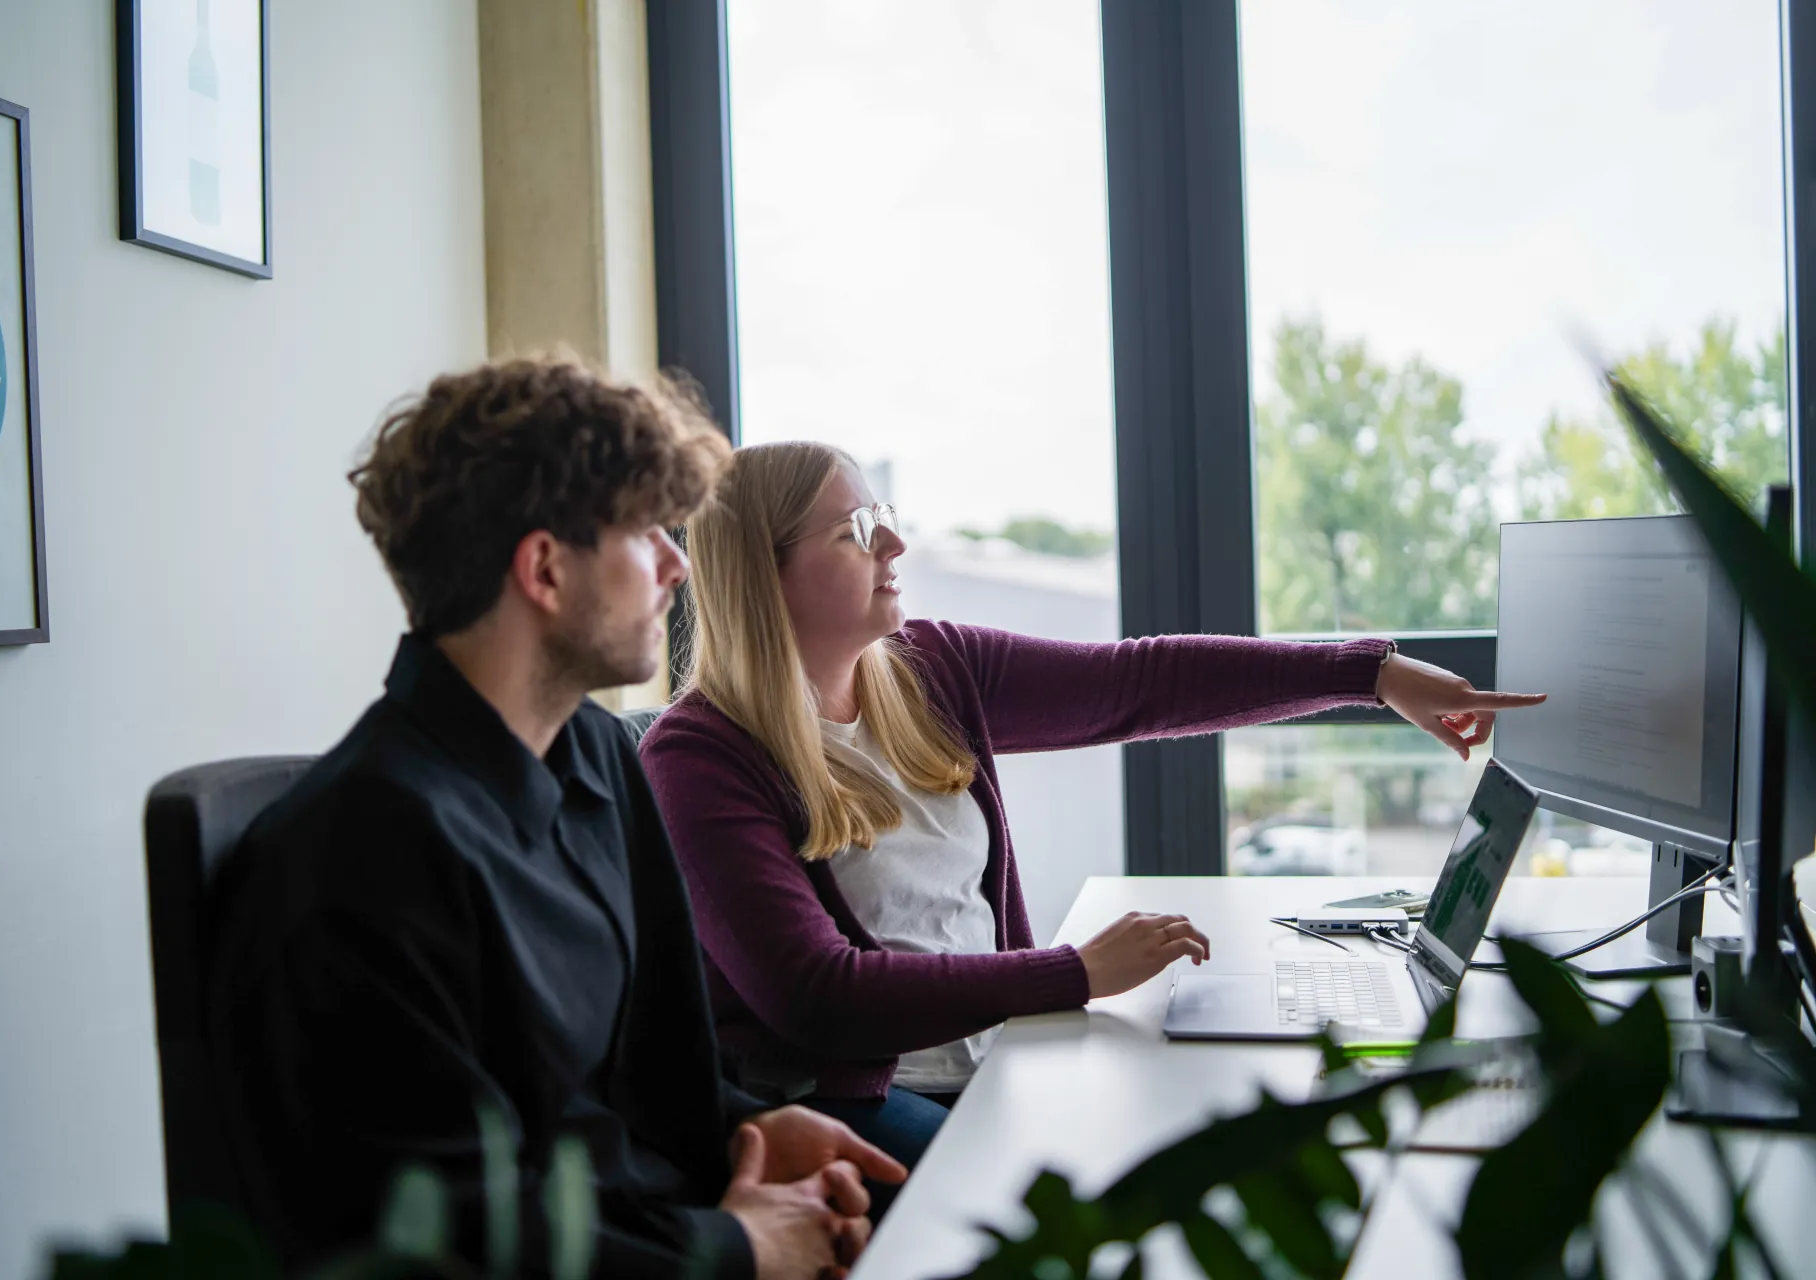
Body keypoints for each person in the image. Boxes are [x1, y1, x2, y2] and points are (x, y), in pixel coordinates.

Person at [637, 441, 1547, 1193]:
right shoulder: (700, 756)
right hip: (851, 1097)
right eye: (858, 529)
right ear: (767, 571)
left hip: (996, 1055)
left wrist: (1370, 674)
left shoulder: (928, 671)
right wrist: (1073, 971)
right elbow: (816, 996)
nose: (895, 545)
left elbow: (1139, 682)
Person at [204, 361, 904, 1280]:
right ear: (542, 569)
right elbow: (445, 1230)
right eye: (643, 531)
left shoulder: (601, 752)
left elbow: (664, 1068)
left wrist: (750, 1129)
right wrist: (738, 1246)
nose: (677, 563)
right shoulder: (360, 850)